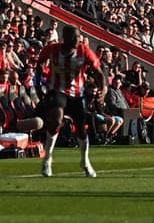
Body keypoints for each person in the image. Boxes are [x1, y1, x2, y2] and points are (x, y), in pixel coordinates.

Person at [34, 25, 105, 178]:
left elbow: (98, 72)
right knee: (56, 119)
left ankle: (85, 161)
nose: (78, 40)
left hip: (77, 94)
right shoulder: (52, 49)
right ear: (65, 38)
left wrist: (103, 89)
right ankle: (48, 158)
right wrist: (38, 86)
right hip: (56, 90)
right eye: (74, 37)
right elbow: (39, 64)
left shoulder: (84, 51)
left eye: (79, 37)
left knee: (81, 128)